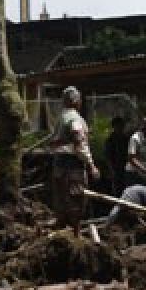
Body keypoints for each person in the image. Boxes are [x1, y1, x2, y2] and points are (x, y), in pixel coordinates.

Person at [50, 86, 99, 228]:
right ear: (76, 101)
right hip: (73, 164)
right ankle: (75, 231)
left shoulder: (61, 118)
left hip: (59, 163)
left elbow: (54, 142)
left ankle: (62, 228)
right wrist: (91, 165)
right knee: (76, 197)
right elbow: (79, 142)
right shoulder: (75, 119)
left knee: (61, 198)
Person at [125, 116, 146, 192]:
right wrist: (144, 169)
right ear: (145, 125)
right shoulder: (135, 138)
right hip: (133, 173)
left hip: (145, 174)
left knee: (145, 196)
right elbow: (131, 158)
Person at [104, 116, 130, 194]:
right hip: (115, 169)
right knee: (117, 190)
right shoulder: (110, 140)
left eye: (121, 125)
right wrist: (112, 170)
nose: (120, 128)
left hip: (126, 169)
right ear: (114, 126)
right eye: (118, 125)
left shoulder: (126, 139)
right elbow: (108, 157)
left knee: (126, 190)